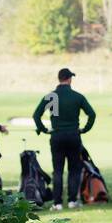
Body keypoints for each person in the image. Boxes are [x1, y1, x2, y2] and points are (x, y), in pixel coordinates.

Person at [33, 67, 97, 210]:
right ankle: (72, 200)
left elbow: (36, 115)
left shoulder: (51, 96)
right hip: (74, 135)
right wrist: (85, 129)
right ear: (69, 79)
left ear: (59, 79)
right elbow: (92, 114)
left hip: (56, 136)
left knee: (58, 170)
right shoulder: (77, 96)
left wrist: (43, 129)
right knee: (74, 169)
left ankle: (57, 203)